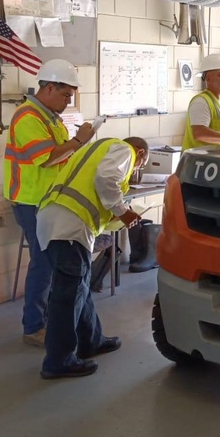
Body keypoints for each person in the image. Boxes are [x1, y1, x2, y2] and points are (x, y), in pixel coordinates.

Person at [35, 136, 149, 379]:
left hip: (55, 219)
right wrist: (124, 212)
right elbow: (106, 179)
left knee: (79, 287)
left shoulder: (97, 148)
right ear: (139, 152)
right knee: (67, 296)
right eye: (142, 164)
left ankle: (91, 340)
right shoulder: (125, 150)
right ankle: (58, 361)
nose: (137, 169)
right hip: (69, 226)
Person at [4, 58, 96, 347]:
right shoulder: (28, 117)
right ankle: (34, 326)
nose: (69, 101)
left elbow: (61, 155)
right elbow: (46, 157)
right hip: (31, 201)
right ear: (49, 87)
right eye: (66, 95)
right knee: (43, 264)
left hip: (47, 200)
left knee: (50, 264)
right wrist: (79, 142)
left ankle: (46, 322)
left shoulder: (49, 116)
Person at [182, 54, 220, 151]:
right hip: (197, 163)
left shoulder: (219, 103)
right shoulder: (201, 102)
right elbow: (200, 133)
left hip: (213, 163)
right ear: (208, 78)